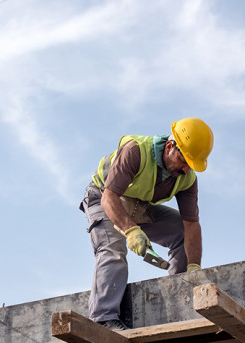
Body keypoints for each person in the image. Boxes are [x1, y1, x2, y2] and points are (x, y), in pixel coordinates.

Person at [79, 117, 214, 331]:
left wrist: (194, 267)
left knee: (179, 231)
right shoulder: (135, 151)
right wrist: (131, 230)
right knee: (113, 250)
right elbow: (109, 197)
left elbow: (191, 225)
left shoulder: (187, 180)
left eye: (191, 165)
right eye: (185, 160)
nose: (187, 169)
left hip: (138, 205)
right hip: (103, 198)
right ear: (170, 146)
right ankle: (104, 319)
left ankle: (180, 296)